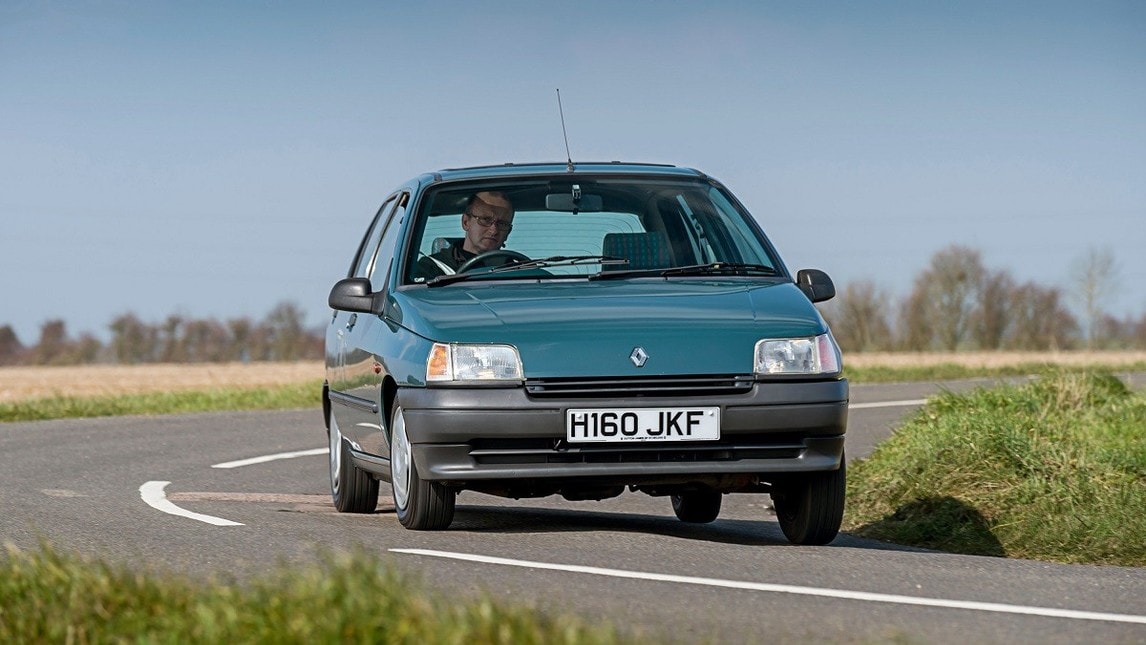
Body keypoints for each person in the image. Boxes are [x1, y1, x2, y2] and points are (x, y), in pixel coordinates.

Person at [413, 191, 516, 280]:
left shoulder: (521, 270)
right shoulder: (431, 268)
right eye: (485, 220)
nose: (494, 230)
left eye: (502, 224)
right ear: (466, 222)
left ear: (509, 232)